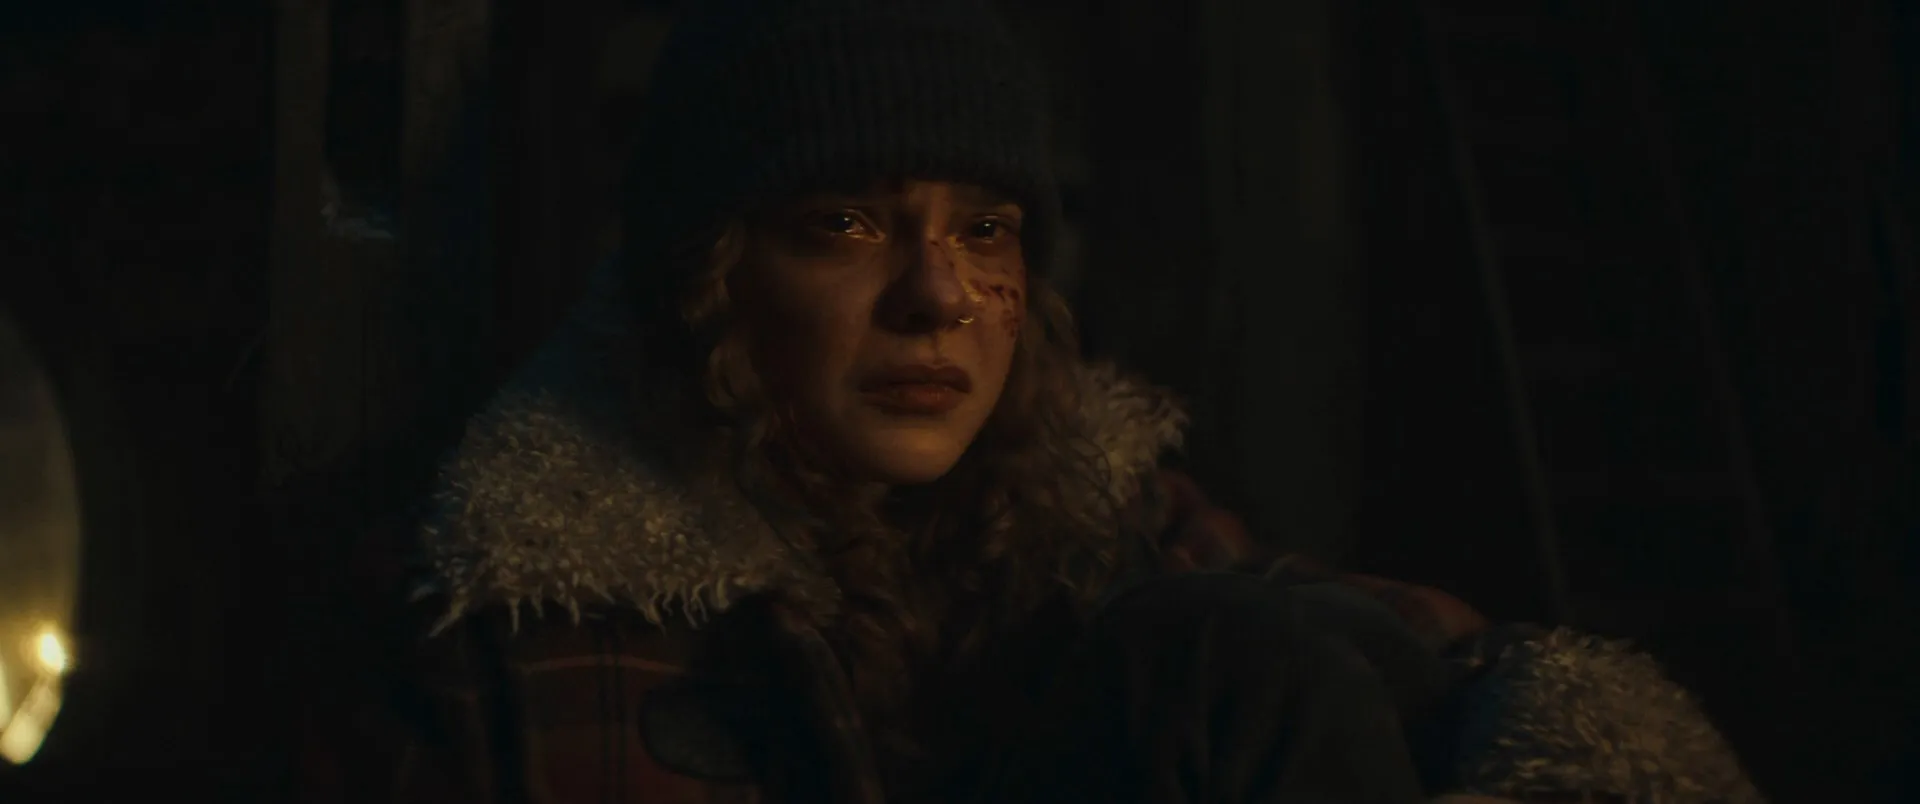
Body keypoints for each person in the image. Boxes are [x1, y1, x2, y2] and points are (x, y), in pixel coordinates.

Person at [293, 0, 1767, 802]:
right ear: (712, 278)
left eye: (986, 230)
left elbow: (1421, 656)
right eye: (848, 225)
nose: (940, 296)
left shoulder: (1094, 517)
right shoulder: (508, 623)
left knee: (1255, 648)